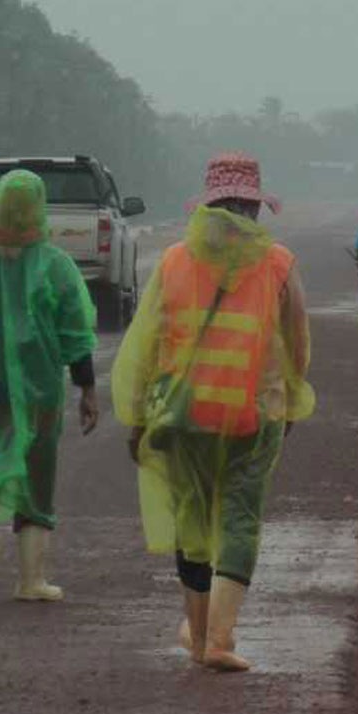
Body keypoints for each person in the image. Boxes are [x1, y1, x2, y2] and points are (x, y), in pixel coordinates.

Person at [112, 152, 314, 672]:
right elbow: (298, 346)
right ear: (254, 208)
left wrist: (137, 416)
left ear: (208, 205)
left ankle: (199, 636)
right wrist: (289, 404)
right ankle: (220, 637)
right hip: (257, 414)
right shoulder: (280, 264)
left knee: (192, 519)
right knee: (241, 518)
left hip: (187, 416)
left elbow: (145, 341)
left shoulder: (176, 260)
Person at [0, 170, 99, 601]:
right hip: (39, 390)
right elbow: (75, 335)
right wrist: (88, 389)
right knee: (37, 478)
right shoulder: (56, 266)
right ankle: (30, 580)